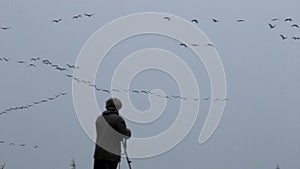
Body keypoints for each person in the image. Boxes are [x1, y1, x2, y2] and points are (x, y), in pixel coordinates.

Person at [94, 98, 131, 169]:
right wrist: (128, 131)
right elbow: (125, 134)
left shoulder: (99, 119)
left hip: (99, 154)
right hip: (112, 155)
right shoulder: (118, 119)